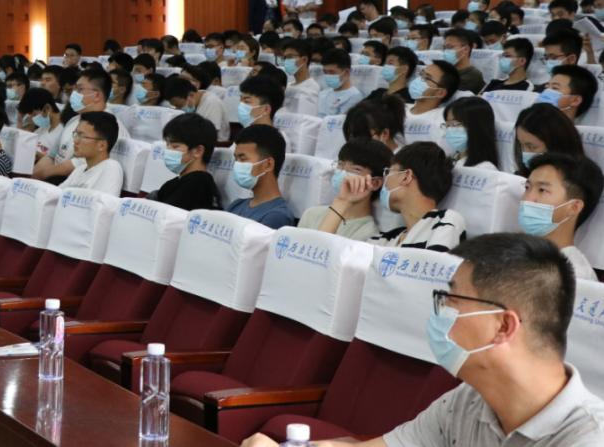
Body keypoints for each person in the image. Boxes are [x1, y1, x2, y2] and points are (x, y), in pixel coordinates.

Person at [241, 233, 604, 447]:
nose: (440, 312)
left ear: (503, 327)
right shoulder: (468, 401)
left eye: (451, 300)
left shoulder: (588, 437)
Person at [33, 69, 129, 181]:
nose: (74, 94)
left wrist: (42, 175)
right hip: (55, 179)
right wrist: (33, 176)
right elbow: (52, 156)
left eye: (79, 89)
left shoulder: (110, 126)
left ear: (97, 95)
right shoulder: (74, 120)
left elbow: (78, 165)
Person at [372, 142, 465, 251]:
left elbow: (432, 261)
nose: (385, 181)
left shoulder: (446, 221)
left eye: (388, 172)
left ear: (406, 177)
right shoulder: (385, 239)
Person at [521, 153, 600, 281]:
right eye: (527, 187)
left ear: (574, 207)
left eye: (542, 190)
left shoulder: (575, 274)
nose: (527, 199)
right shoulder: (516, 255)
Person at [298, 138, 391, 241]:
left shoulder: (368, 233)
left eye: (356, 169)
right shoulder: (311, 214)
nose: (343, 173)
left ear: (375, 183)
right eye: (340, 165)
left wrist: (343, 201)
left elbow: (318, 247)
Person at [226, 125, 294, 229]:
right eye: (236, 159)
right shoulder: (236, 205)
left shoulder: (277, 216)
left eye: (243, 159)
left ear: (268, 165)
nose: (237, 165)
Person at [149, 114, 220, 211]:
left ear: (198, 151)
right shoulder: (175, 182)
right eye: (167, 145)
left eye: (175, 146)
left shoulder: (199, 184)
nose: (167, 151)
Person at [58, 112, 125, 196]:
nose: (75, 140)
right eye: (76, 134)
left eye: (82, 136)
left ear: (101, 145)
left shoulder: (111, 168)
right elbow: (56, 194)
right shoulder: (79, 170)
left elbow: (102, 203)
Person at [514, 103, 586, 175]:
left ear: (557, 146)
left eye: (531, 147)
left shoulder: (579, 180)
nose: (524, 152)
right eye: (521, 145)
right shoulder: (519, 178)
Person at [443, 97, 500, 170]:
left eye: (455, 124)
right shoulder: (452, 161)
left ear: (477, 127)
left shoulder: (484, 168)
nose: (450, 129)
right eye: (448, 124)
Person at [165, 75, 229, 141]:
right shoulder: (195, 97)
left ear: (191, 95)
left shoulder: (212, 102)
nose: (178, 109)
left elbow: (210, 134)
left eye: (179, 105)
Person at [18, 87, 64, 158]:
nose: (32, 118)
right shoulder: (41, 129)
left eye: (34, 114)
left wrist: (35, 154)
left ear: (47, 108)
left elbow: (59, 160)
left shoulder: (63, 132)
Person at [317, 48, 364, 117]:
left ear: (346, 72)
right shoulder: (323, 93)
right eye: (325, 72)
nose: (327, 76)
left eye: (332, 72)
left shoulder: (355, 97)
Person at [280, 39, 320, 116]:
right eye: (285, 58)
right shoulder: (288, 85)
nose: (286, 61)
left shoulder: (313, 87)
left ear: (304, 59)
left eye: (290, 57)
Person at [443, 29, 485, 93]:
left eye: (449, 47)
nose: (445, 51)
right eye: (444, 48)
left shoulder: (473, 76)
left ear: (466, 49)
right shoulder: (446, 71)